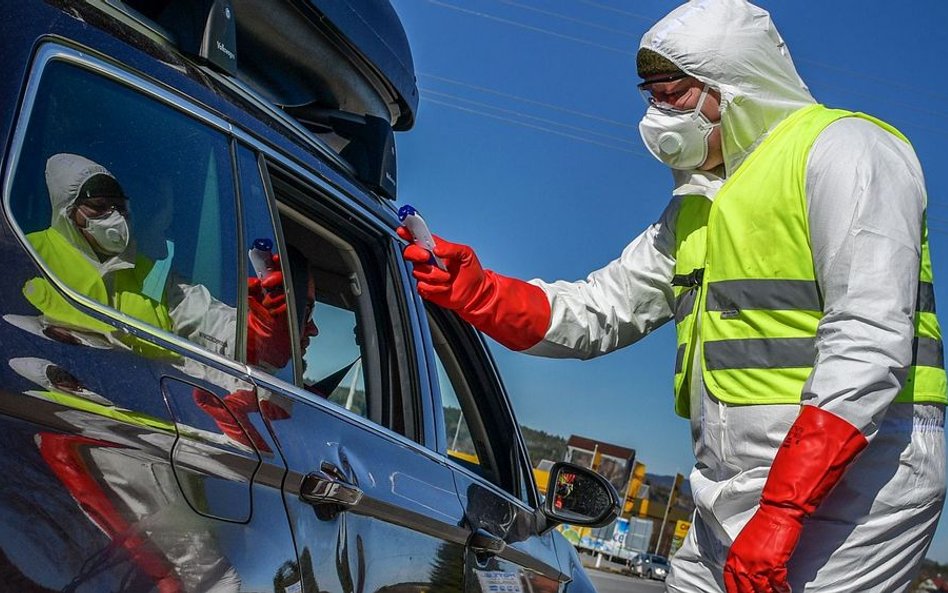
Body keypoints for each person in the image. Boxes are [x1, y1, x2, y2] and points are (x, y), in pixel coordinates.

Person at [399, 1, 946, 591]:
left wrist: (784, 511)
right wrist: (475, 291)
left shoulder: (846, 151)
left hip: (859, 482)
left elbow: (867, 346)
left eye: (675, 93)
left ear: (736, 88)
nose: (658, 115)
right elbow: (597, 310)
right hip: (733, 484)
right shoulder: (696, 208)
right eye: (651, 95)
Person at [23, 153, 290, 367]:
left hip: (139, 428)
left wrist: (258, 330)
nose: (115, 217)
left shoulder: (153, 277)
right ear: (68, 211)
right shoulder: (27, 252)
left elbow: (210, 321)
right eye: (100, 206)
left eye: (119, 207)